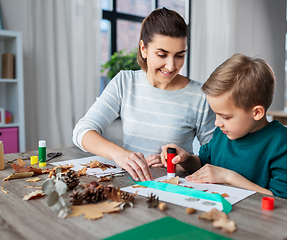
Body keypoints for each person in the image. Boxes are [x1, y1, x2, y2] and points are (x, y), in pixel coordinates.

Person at [72, 8, 215, 182]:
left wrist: (184, 161)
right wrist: (120, 154)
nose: (171, 66)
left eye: (179, 55)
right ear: (144, 49)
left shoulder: (199, 96)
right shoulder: (125, 82)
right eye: (162, 54)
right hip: (130, 187)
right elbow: (82, 132)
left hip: (176, 189)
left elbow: (214, 159)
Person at [161, 53, 287, 201]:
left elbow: (285, 201)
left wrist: (229, 177)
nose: (217, 123)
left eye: (225, 117)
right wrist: (185, 159)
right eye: (215, 114)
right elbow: (203, 165)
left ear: (256, 112)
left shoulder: (283, 145)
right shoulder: (222, 133)